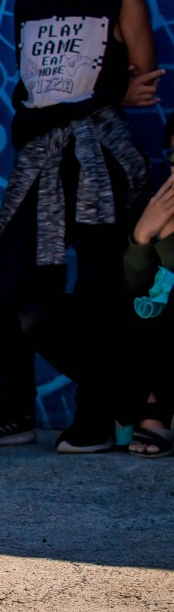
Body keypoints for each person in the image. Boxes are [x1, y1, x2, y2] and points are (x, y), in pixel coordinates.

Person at [0, 0, 157, 453]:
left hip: (99, 158)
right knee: (11, 284)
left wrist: (103, 97)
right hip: (38, 159)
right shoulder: (29, 2)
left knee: (101, 285)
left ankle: (99, 412)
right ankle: (15, 408)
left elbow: (142, 80)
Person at [120, 114, 174, 457]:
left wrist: (168, 245)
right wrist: (142, 238)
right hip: (157, 352)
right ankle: (150, 403)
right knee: (39, 315)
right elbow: (140, 303)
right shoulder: (159, 210)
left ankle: (157, 411)